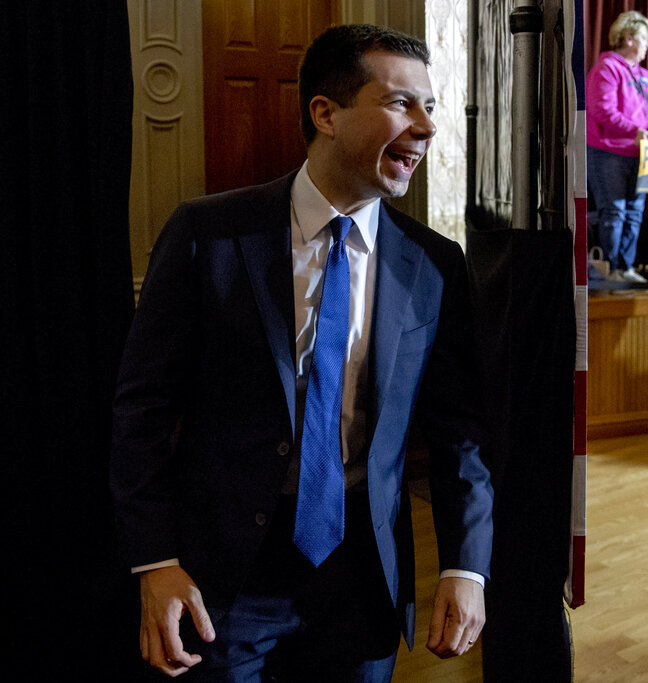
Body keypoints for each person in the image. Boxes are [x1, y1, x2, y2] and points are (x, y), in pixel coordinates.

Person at [110, 24, 494, 681]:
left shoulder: (435, 265)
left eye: (430, 105)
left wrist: (466, 564)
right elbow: (140, 413)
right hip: (223, 585)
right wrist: (155, 558)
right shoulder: (208, 235)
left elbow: (460, 433)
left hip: (364, 582)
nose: (427, 126)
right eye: (402, 103)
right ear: (326, 113)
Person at [586, 10, 648, 283]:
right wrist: (634, 130)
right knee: (614, 211)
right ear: (629, 39)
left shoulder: (646, 75)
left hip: (643, 154)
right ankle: (610, 269)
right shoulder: (607, 68)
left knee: (636, 212)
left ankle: (627, 266)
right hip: (608, 152)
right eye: (645, 38)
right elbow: (602, 109)